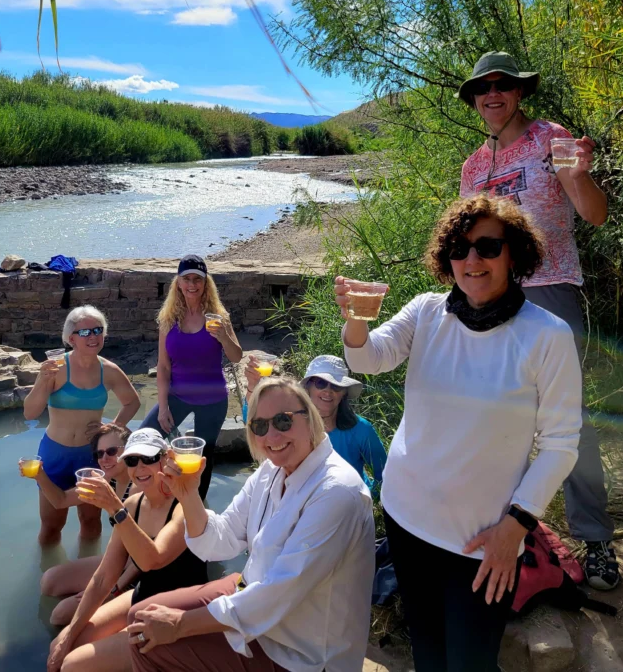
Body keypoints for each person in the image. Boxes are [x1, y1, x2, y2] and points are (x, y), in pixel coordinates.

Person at [338, 195, 582, 672]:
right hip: (407, 519)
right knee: (428, 653)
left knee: (470, 661)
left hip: (482, 542)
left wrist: (516, 527)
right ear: (446, 256)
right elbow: (370, 359)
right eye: (459, 247)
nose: (472, 260)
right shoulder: (428, 312)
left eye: (489, 247)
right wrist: (355, 321)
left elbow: (560, 444)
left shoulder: (546, 335)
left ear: (514, 254)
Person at [457, 51, 617, 590]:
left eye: (503, 85)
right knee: (494, 413)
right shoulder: (473, 167)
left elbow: (594, 213)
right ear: (475, 99)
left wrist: (579, 176)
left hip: (550, 289)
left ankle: (595, 540)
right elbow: (468, 243)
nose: (493, 94)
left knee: (567, 420)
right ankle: (506, 530)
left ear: (519, 92)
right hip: (491, 298)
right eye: (483, 88)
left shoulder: (552, 139)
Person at [125, 378, 375, 672]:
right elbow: (222, 540)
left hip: (300, 652)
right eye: (259, 426)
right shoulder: (271, 471)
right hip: (255, 602)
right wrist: (188, 495)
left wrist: (180, 625)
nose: (271, 435)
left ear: (311, 418)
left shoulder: (336, 492)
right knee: (141, 616)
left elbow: (279, 592)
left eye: (283, 421)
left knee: (148, 647)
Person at [47, 429, 208, 672]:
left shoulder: (185, 505)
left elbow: (152, 560)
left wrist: (114, 507)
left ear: (166, 459)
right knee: (62, 646)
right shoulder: (132, 504)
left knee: (73, 665)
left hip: (178, 608)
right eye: (132, 460)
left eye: (149, 459)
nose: (140, 467)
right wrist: (69, 634)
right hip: (144, 594)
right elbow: (103, 578)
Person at [24, 305, 141, 544]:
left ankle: (87, 574)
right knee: (51, 526)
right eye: (85, 332)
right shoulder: (55, 369)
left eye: (98, 330)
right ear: (71, 338)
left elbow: (132, 403)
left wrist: (111, 429)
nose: (93, 337)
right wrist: (41, 382)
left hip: (91, 456)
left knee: (90, 521)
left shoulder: (108, 370)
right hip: (55, 453)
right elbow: (30, 413)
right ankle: (47, 572)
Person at [139, 254, 242, 499]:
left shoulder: (219, 316)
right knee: (144, 441)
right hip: (177, 395)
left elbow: (236, 356)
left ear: (206, 284)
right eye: (187, 279)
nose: (192, 284)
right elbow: (163, 367)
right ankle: (154, 494)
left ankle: (198, 506)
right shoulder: (168, 319)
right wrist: (162, 407)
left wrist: (223, 337)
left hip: (213, 399)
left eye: (198, 279)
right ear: (178, 283)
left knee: (203, 457)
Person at [21, 423, 138, 625]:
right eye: (99, 454)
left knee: (60, 615)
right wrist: (39, 475)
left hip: (140, 569)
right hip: (121, 558)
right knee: (49, 582)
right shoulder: (107, 481)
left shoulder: (138, 487)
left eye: (111, 451)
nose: (104, 459)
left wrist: (112, 588)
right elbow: (60, 501)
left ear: (129, 451)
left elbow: (145, 553)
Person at [301, 355, 387, 497]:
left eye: (336, 385)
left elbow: (385, 476)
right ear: (308, 387)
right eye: (321, 383)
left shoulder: (362, 430)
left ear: (344, 392)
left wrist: (364, 502)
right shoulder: (292, 426)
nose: (328, 391)